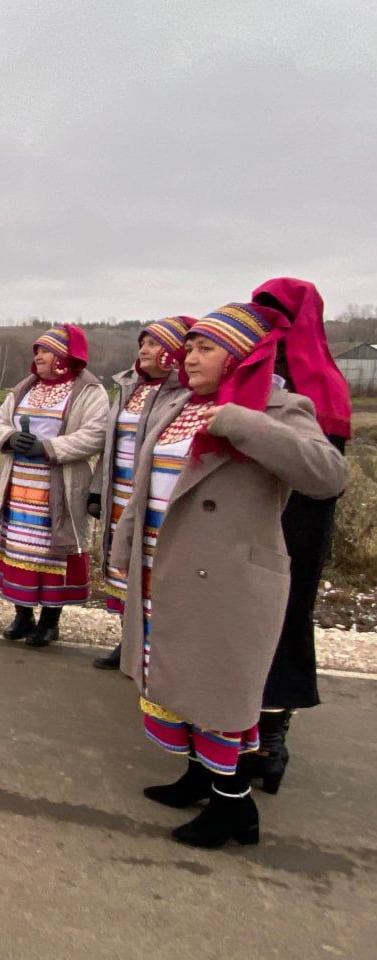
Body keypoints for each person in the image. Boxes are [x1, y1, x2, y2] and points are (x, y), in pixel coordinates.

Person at [109, 302, 346, 848]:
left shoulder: (279, 406)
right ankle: (199, 775)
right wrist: (125, 546)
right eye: (188, 347)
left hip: (227, 579)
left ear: (239, 355)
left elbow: (327, 476)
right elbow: (147, 484)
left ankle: (234, 807)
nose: (188, 357)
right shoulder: (180, 405)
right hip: (163, 568)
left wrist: (244, 423)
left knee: (217, 690)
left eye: (204, 348)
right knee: (175, 679)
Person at [240, 278, 353, 794]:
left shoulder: (317, 380)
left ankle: (271, 734)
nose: (269, 321)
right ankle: (248, 735)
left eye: (275, 310)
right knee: (255, 620)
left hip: (298, 518)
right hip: (256, 513)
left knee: (283, 619)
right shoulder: (265, 369)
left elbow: (326, 472)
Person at [0, 325, 109, 647]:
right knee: (18, 548)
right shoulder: (24, 388)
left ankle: (50, 621)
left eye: (44, 350)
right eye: (37, 351)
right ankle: (23, 613)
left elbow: (95, 435)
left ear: (63, 356)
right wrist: (11, 437)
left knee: (52, 554)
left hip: (60, 488)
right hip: (20, 486)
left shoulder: (88, 392)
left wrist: (47, 448)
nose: (38, 357)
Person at [89, 317, 193, 670]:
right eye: (142, 344)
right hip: (119, 494)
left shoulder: (183, 394)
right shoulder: (129, 387)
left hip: (155, 497)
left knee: (152, 571)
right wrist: (96, 490)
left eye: (153, 343)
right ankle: (129, 643)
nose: (144, 350)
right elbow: (110, 441)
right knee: (122, 568)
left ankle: (158, 653)